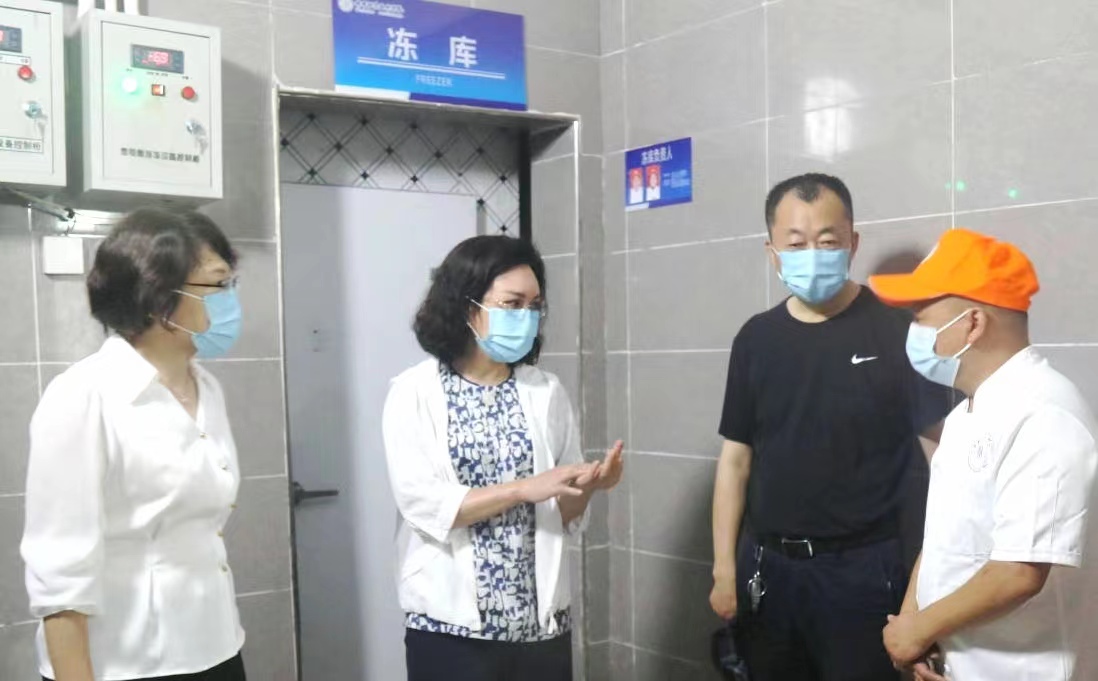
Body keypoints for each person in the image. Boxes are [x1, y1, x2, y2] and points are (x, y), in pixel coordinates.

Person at [709, 173, 952, 681]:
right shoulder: (756, 339)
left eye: (827, 241)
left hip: (866, 571)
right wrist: (724, 568)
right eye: (796, 244)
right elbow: (735, 462)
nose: (812, 255)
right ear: (772, 252)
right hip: (769, 570)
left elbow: (942, 458)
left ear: (852, 243)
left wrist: (935, 586)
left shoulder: (898, 332)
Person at [382, 235, 624, 681]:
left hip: (540, 627)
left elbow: (561, 511)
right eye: (512, 304)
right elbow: (424, 505)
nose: (526, 317)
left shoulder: (545, 392)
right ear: (466, 305)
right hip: (451, 631)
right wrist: (522, 490)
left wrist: (587, 488)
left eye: (535, 306)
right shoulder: (413, 393)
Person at [21, 209, 247, 681]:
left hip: (215, 647)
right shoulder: (84, 396)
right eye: (217, 284)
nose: (231, 300)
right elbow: (59, 577)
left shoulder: (207, 388)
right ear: (158, 297)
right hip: (125, 665)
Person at [872, 228, 1098, 681]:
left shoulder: (1044, 414)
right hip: (956, 663)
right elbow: (942, 539)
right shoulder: (964, 416)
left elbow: (1018, 572)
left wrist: (918, 631)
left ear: (972, 323)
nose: (912, 332)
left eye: (921, 316)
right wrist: (916, 624)